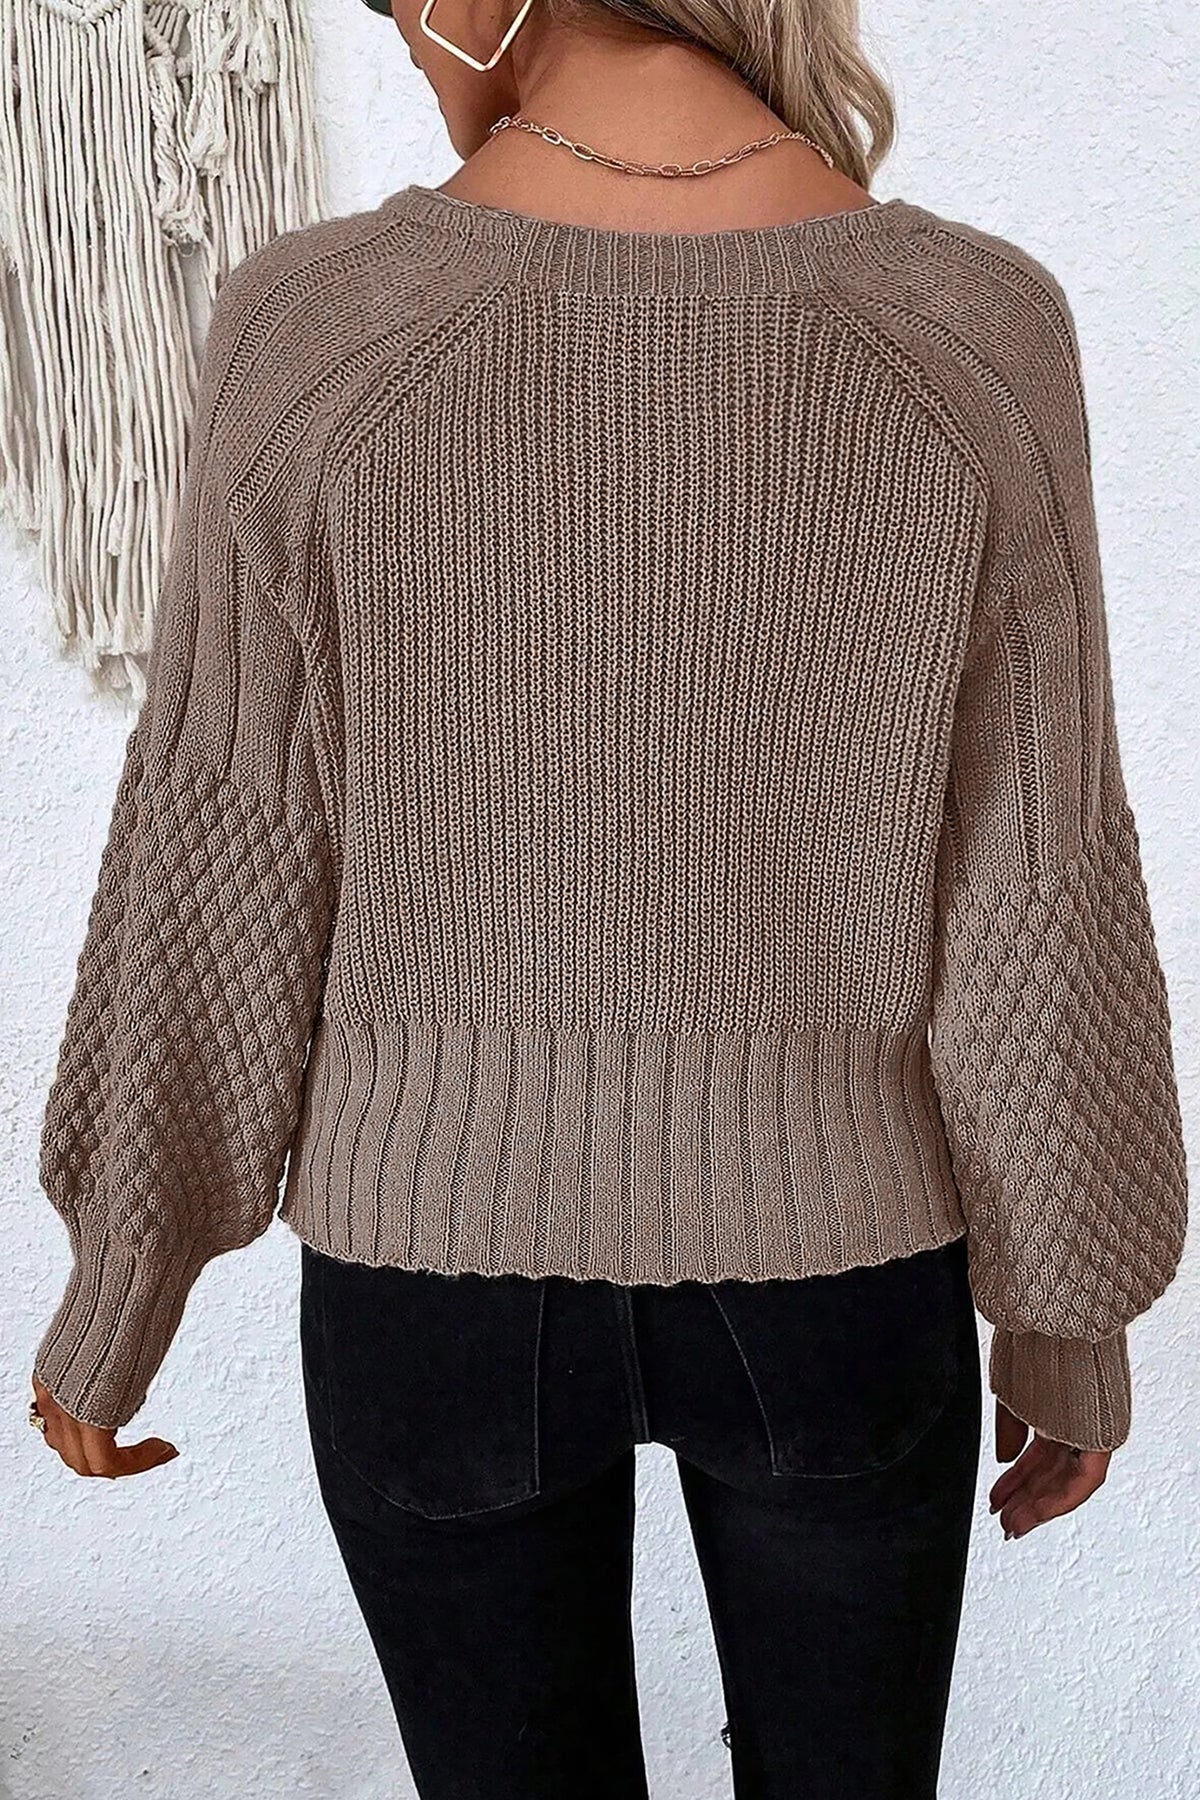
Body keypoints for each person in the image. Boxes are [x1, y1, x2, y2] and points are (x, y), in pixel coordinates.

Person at [29, 0, 1189, 1792]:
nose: (397, 31)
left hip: (433, 1295)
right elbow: (1035, 869)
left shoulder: (319, 323)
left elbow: (223, 842)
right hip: (842, 1282)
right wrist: (1066, 1321)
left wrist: (127, 1280)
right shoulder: (972, 324)